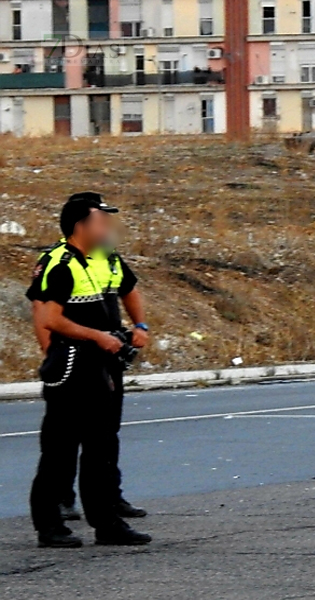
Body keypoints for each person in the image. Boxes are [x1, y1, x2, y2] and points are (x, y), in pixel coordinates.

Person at [28, 193, 152, 548]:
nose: (107, 227)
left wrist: (138, 325)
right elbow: (48, 317)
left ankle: (107, 522)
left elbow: (129, 289)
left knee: (101, 446)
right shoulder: (58, 262)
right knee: (60, 449)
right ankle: (49, 525)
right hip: (73, 364)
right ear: (81, 225)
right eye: (101, 220)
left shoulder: (106, 256)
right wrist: (93, 337)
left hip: (105, 364)